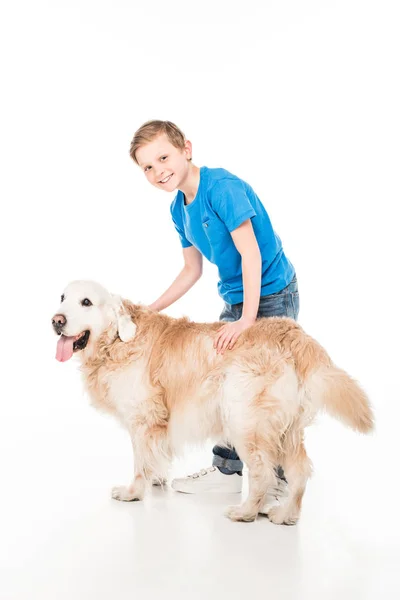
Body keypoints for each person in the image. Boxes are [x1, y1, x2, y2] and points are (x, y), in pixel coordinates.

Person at [130, 120, 299, 498]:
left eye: (163, 157)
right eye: (148, 167)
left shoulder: (222, 189)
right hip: (238, 299)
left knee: (266, 387)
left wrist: (247, 321)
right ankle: (228, 469)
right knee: (225, 383)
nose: (159, 171)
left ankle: (278, 479)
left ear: (186, 149)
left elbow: (251, 254)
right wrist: (150, 310)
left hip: (271, 293)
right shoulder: (179, 209)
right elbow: (192, 269)